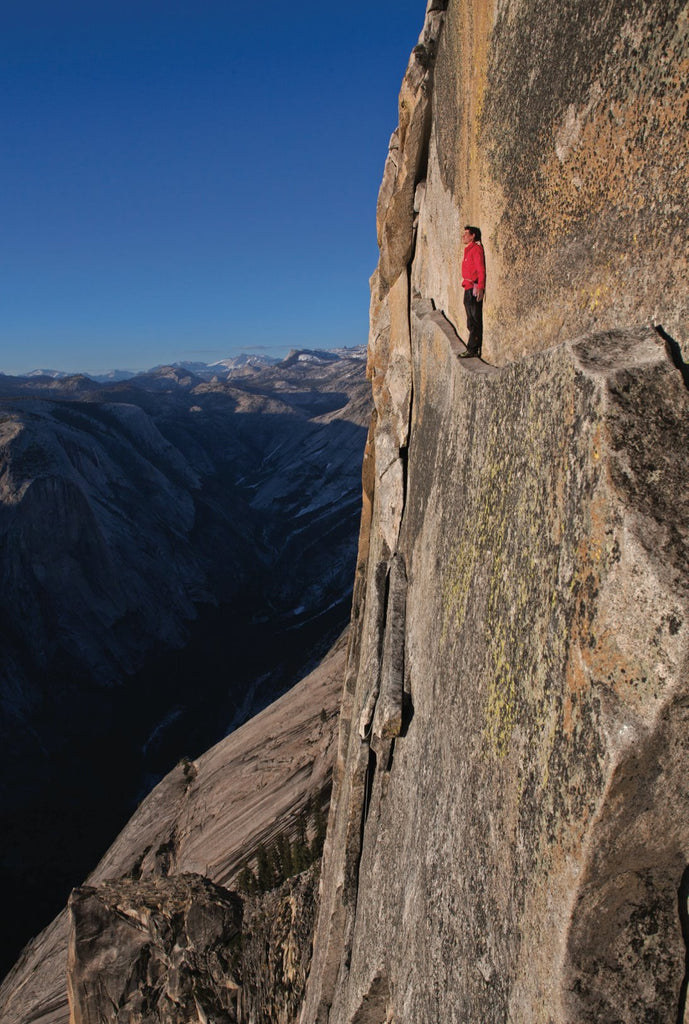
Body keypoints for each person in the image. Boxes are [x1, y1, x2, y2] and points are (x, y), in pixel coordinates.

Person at [459, 225, 486, 358]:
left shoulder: (476, 250)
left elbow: (481, 269)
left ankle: (473, 349)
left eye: (466, 234)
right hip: (467, 288)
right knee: (470, 320)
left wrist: (480, 287)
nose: (463, 236)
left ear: (473, 235)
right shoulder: (468, 250)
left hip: (474, 289)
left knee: (474, 320)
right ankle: (472, 347)